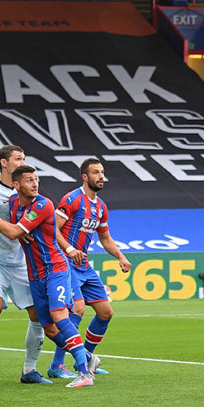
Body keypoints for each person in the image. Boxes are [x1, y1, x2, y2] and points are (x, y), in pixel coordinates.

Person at [0, 166, 94, 388]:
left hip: (55, 268)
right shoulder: (13, 204)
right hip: (35, 274)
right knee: (48, 328)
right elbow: (7, 227)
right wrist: (15, 227)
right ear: (17, 186)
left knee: (59, 315)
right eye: (29, 180)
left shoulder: (43, 204)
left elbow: (12, 232)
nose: (35, 184)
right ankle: (87, 357)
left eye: (36, 179)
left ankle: (84, 372)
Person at [0, 145, 53, 387]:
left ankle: (29, 370)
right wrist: (8, 229)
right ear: (4, 163)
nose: (22, 160)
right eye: (18, 158)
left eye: (24, 157)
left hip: (21, 260)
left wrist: (15, 232)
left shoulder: (27, 188)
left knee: (37, 314)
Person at [47, 159, 131, 379]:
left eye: (102, 172)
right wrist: (69, 248)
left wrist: (121, 257)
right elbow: (52, 229)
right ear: (85, 177)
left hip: (84, 265)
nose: (101, 176)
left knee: (105, 312)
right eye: (96, 172)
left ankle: (86, 360)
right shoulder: (72, 199)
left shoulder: (101, 207)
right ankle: (57, 366)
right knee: (77, 309)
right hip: (66, 264)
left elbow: (105, 238)